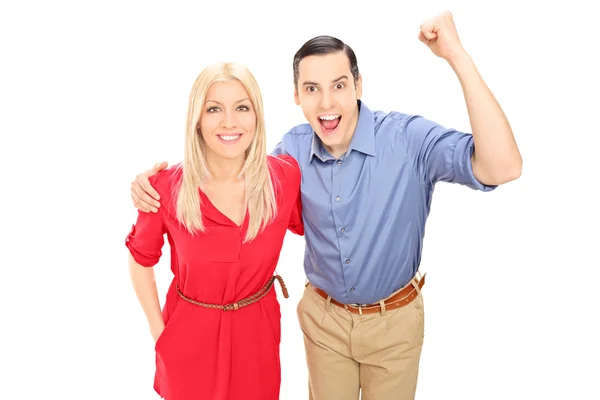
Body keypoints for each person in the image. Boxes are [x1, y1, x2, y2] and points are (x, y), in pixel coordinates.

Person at [129, 11, 522, 400]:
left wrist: (457, 56)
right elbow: (228, 179)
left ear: (358, 85)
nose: (327, 102)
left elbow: (502, 166)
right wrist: (148, 185)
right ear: (297, 96)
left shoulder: (406, 139)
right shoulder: (291, 155)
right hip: (322, 321)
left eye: (338, 85)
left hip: (394, 323)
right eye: (312, 88)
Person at [125, 61, 304, 400]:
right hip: (187, 340)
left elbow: (320, 222)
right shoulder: (163, 188)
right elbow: (140, 260)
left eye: (242, 107)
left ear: (257, 116)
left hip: (257, 340)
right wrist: (159, 333)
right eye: (213, 109)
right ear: (197, 118)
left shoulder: (285, 177)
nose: (229, 122)